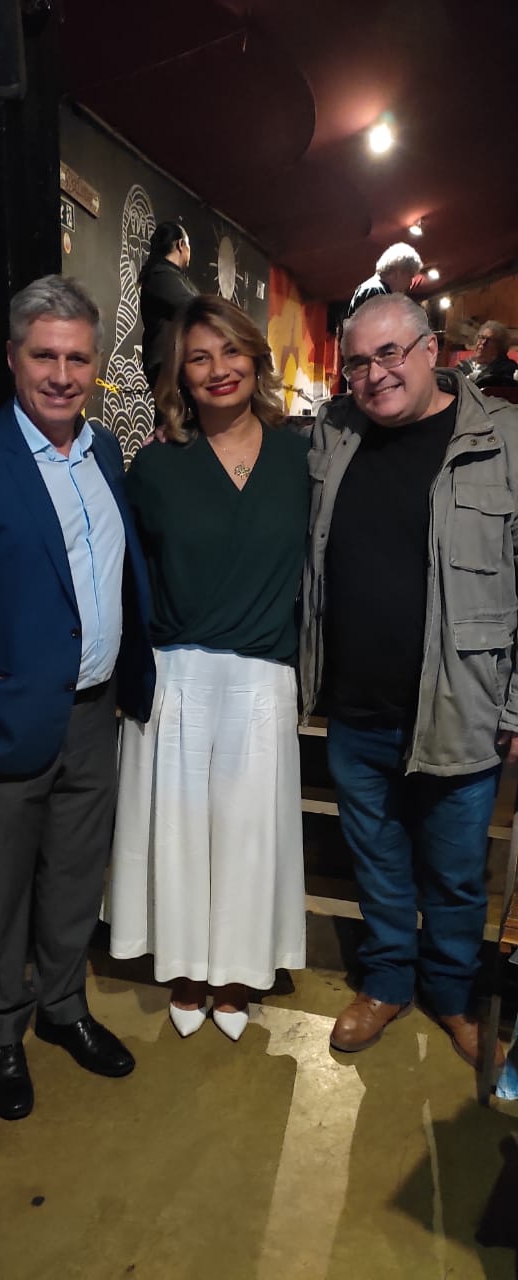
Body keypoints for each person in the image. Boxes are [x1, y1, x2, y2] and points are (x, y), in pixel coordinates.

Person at [0, 275, 155, 1120]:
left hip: (94, 713)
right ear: (12, 358)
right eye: (45, 357)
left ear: (95, 364)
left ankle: (64, 1007)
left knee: (73, 877)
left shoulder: (104, 451)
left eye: (77, 358)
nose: (62, 376)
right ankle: (0, 1029)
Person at [299, 291, 518, 1070]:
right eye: (358, 362)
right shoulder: (333, 432)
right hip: (357, 705)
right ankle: (387, 981)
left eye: (390, 353)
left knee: (455, 874)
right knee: (378, 860)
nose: (375, 374)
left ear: (433, 351)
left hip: (461, 703)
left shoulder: (504, 438)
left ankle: (453, 995)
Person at [106, 295, 309, 1040]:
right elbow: (126, 573)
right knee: (181, 834)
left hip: (261, 674)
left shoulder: (302, 457)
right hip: (179, 674)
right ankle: (187, 968)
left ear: (255, 357)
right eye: (199, 358)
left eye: (230, 351)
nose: (218, 369)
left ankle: (237, 973)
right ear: (180, 378)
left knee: (250, 838)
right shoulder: (157, 465)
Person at [139, 220, 198, 392]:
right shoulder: (160, 275)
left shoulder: (169, 275)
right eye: (188, 245)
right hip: (169, 367)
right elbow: (193, 307)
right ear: (181, 245)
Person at [347, 243, 423, 317]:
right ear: (398, 272)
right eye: (410, 276)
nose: (410, 283)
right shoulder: (375, 291)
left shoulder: (377, 290)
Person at [458, 320, 518, 389]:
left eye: (489, 340)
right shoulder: (463, 366)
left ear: (499, 346)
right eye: (482, 337)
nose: (483, 342)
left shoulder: (507, 370)